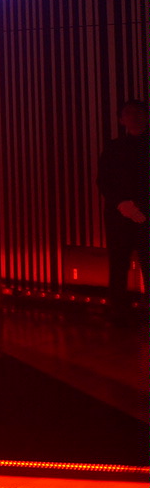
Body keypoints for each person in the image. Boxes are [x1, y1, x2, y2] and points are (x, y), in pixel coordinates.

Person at [96, 98, 148, 326]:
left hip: (138, 212)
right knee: (118, 262)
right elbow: (103, 180)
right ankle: (118, 311)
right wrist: (122, 204)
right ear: (121, 119)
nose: (133, 117)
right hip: (119, 215)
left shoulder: (116, 147)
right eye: (128, 113)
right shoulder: (113, 147)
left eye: (138, 112)